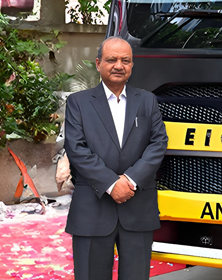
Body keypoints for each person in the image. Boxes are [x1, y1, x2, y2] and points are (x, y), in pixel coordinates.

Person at [65, 37, 168, 280]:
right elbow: (76, 149)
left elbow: (158, 143)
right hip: (92, 208)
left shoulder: (147, 101)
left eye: (125, 60)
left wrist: (130, 180)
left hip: (138, 207)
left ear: (132, 65)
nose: (119, 66)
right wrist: (111, 184)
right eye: (112, 60)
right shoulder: (78, 103)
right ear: (98, 63)